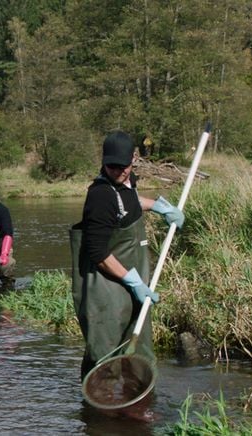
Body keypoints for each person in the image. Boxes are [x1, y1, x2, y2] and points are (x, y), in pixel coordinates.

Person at [70, 131, 184, 380]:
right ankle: (99, 413)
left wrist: (158, 206)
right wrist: (132, 281)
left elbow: (128, 202)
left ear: (134, 159)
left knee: (137, 352)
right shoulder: (100, 196)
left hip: (129, 285)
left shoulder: (126, 182)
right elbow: (98, 253)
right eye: (112, 166)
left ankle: (138, 408)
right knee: (105, 356)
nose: (119, 171)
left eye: (124, 166)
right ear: (104, 162)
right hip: (106, 288)